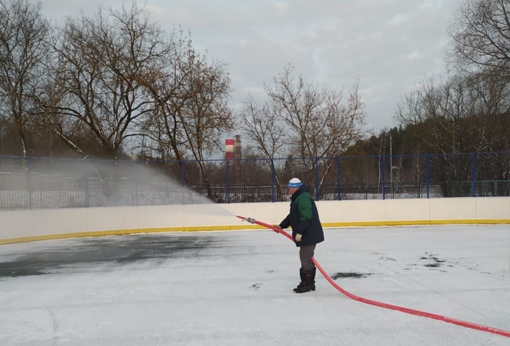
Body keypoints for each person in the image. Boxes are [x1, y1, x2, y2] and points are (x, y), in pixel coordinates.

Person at [278, 178, 324, 293]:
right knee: (306, 257)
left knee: (305, 257)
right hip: (308, 234)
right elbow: (292, 216)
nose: (289, 190)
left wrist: (300, 232)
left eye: (290, 188)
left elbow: (305, 217)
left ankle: (307, 283)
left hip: (309, 234)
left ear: (295, 187)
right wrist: (281, 226)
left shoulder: (303, 197)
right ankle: (308, 282)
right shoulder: (299, 197)